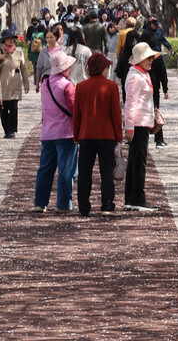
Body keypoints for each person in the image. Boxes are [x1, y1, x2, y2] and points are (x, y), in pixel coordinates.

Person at [73, 52, 123, 215]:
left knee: (85, 172)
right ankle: (107, 205)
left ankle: (83, 207)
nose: (109, 69)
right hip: (106, 135)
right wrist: (118, 136)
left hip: (86, 134)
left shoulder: (80, 87)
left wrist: (76, 135)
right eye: (107, 67)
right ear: (102, 69)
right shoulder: (111, 86)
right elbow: (116, 114)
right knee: (106, 172)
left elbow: (77, 114)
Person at [33, 51, 78, 213]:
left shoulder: (45, 84)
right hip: (65, 133)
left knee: (45, 168)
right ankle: (64, 203)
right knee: (66, 169)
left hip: (47, 132)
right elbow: (74, 109)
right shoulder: (67, 85)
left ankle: (40, 202)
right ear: (65, 68)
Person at [122, 41, 159, 212]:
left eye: (151, 58)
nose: (151, 60)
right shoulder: (136, 76)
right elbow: (130, 103)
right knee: (138, 162)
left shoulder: (140, 73)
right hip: (138, 124)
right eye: (148, 58)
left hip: (142, 122)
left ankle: (132, 197)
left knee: (135, 161)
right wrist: (129, 127)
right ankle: (137, 198)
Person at [0, 28, 30, 138]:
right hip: (3, 84)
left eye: (12, 38)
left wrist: (26, 83)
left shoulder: (18, 52)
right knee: (4, 109)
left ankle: (12, 130)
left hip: (15, 85)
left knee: (13, 108)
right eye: (8, 38)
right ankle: (7, 131)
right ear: (3, 40)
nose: (10, 40)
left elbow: (23, 69)